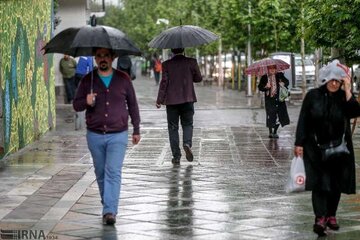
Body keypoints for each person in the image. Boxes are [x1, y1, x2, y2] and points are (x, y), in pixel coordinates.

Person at [73, 48, 141, 225]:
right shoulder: (88, 80)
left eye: (106, 56)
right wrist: (85, 101)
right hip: (95, 135)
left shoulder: (123, 79)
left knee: (113, 172)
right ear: (95, 59)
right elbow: (76, 105)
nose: (102, 59)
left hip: (118, 134)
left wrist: (136, 129)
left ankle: (110, 211)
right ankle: (108, 204)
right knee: (101, 172)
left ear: (112, 58)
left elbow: (133, 104)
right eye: (99, 56)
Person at [294, 59, 360, 236]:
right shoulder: (313, 96)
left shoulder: (343, 97)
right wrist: (299, 143)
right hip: (315, 149)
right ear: (325, 80)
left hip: (339, 150)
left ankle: (331, 215)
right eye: (331, 80)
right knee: (320, 184)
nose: (334, 83)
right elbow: (303, 121)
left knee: (335, 184)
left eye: (337, 80)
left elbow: (355, 111)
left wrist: (348, 89)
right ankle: (320, 218)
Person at [156, 48, 202, 164]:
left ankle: (176, 156)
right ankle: (187, 143)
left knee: (173, 128)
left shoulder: (167, 64)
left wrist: (159, 100)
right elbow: (198, 78)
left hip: (172, 102)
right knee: (187, 124)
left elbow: (164, 83)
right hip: (188, 99)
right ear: (184, 49)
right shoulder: (191, 62)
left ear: (172, 51)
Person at [258, 65, 290, 138]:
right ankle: (270, 132)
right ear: (268, 69)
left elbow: (287, 81)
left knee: (279, 116)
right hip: (270, 100)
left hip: (279, 100)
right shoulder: (264, 77)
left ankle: (275, 131)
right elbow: (260, 87)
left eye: (274, 68)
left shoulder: (280, 75)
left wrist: (283, 84)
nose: (272, 70)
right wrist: (266, 86)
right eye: (270, 68)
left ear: (276, 69)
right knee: (270, 116)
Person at [74, 56, 93, 130]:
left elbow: (78, 66)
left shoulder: (82, 57)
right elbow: (90, 69)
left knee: (78, 88)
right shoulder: (90, 58)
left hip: (77, 74)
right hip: (83, 75)